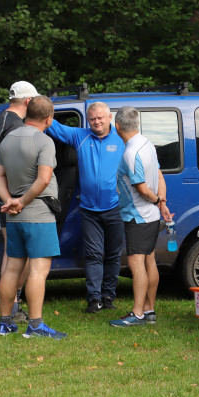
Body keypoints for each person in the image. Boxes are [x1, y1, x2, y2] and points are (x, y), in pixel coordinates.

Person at [0, 96, 66, 339]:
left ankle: (5, 323)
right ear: (49, 119)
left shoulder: (8, 139)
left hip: (14, 216)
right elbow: (43, 179)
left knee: (12, 269)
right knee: (38, 271)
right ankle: (34, 326)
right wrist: (21, 201)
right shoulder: (44, 141)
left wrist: (9, 201)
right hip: (39, 214)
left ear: (26, 114)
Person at [47, 101, 125, 313]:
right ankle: (93, 299)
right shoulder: (80, 136)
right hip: (89, 209)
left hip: (116, 208)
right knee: (93, 254)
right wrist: (35, 102)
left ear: (110, 118)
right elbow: (51, 124)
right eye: (92, 119)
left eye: (100, 118)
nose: (96, 122)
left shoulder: (121, 140)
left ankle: (108, 296)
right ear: (88, 120)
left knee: (113, 255)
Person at [108, 107, 173, 327]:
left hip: (138, 216)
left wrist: (156, 201)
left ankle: (137, 314)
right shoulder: (148, 144)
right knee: (149, 260)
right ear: (136, 124)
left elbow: (143, 189)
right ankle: (149, 310)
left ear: (117, 126)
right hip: (151, 216)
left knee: (137, 263)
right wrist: (162, 203)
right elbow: (160, 176)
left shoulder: (130, 153)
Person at [0, 81, 40, 321]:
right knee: (22, 257)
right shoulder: (15, 126)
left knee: (11, 254)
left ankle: (9, 308)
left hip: (3, 193)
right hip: (15, 197)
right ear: (29, 102)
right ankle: (12, 307)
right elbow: (21, 164)